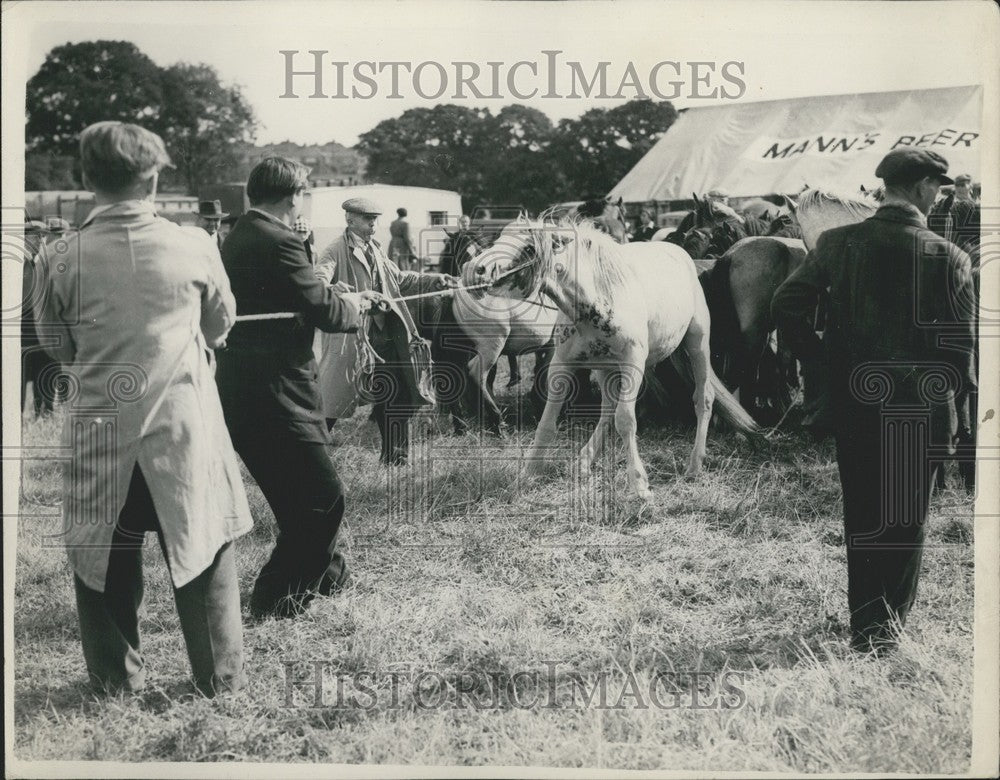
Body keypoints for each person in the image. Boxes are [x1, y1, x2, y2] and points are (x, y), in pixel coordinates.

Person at [32, 121, 253, 696]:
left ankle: (113, 682)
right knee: (203, 549)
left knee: (102, 558)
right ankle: (218, 680)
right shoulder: (196, 244)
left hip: (99, 430)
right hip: (181, 429)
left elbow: (56, 346)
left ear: (86, 178)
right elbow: (219, 326)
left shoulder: (56, 256)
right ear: (154, 175)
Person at [772, 148, 976, 655]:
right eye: (937, 187)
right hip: (918, 410)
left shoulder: (836, 244)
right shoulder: (946, 255)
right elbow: (961, 353)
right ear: (924, 187)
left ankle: (865, 629)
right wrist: (954, 410)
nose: (938, 196)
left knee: (863, 516)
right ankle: (886, 636)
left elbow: (786, 306)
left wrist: (822, 366)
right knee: (906, 525)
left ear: (886, 187)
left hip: (854, 404)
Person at [216, 157, 383, 620]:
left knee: (300, 501)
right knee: (323, 499)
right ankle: (273, 603)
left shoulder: (242, 235)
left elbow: (295, 298)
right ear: (294, 195)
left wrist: (338, 298)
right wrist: (352, 304)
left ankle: (330, 579)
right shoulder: (278, 240)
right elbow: (323, 310)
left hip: (246, 393)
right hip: (277, 396)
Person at [315, 198, 457, 464]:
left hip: (387, 335)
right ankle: (308, 457)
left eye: (375, 219)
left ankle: (396, 457)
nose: (374, 225)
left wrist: (436, 278)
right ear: (350, 220)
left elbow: (401, 279)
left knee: (396, 394)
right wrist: (336, 290)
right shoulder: (335, 249)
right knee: (332, 401)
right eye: (368, 219)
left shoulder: (376, 249)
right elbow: (318, 281)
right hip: (353, 338)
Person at [388, 207, 418, 271]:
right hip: (402, 245)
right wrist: (412, 251)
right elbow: (407, 238)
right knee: (402, 262)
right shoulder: (405, 224)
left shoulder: (393, 223)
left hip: (393, 243)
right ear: (406, 214)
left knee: (393, 262)